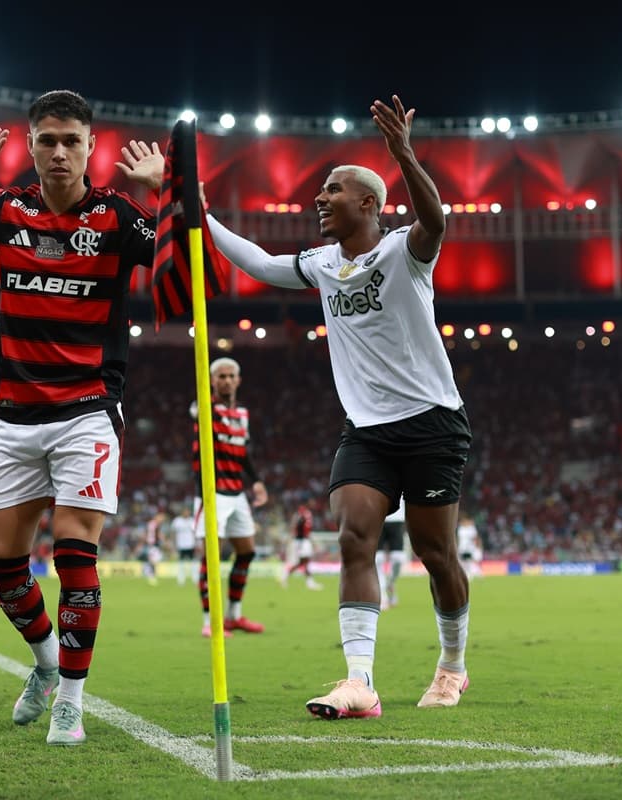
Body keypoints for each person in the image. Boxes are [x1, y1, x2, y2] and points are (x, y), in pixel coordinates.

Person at [203, 95, 473, 718]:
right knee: (355, 537)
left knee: (437, 555)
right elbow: (262, 263)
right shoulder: (322, 263)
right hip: (366, 431)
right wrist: (202, 218)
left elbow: (437, 221)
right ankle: (359, 682)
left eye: (333, 191)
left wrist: (403, 152)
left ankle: (452, 666)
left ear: (369, 205)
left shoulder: (405, 251)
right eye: (320, 192)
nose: (319, 199)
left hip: (432, 421)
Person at [0, 89, 162, 746]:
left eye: (71, 140)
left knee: (76, 555)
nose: (59, 152)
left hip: (87, 410)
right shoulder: (7, 211)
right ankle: (48, 665)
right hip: (14, 418)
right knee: (3, 565)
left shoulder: (118, 215)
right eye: (47, 140)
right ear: (31, 146)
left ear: (90, 147)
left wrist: (164, 197)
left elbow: (180, 272)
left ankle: (72, 703)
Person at [192, 358, 269, 638]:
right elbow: (196, 427)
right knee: (211, 557)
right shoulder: (205, 408)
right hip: (213, 495)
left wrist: (257, 481)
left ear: (238, 380)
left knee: (247, 551)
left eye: (230, 376)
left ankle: (234, 616)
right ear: (212, 380)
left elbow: (244, 453)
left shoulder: (243, 414)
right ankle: (208, 622)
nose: (225, 380)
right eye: (220, 376)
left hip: (237, 493)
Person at [281, 498, 321, 590]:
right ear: (308, 503)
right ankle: (309, 582)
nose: (314, 504)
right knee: (304, 561)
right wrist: (293, 536)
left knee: (303, 562)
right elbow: (295, 524)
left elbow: (307, 529)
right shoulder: (302, 513)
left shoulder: (307, 513)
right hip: (301, 541)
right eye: (312, 502)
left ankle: (286, 575)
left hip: (304, 540)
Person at [376, 498, 407, 609]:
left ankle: (391, 583)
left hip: (397, 520)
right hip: (378, 518)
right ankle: (382, 595)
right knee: (378, 558)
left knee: (398, 558)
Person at [171, 504, 197, 586]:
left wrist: (197, 543)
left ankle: (195, 579)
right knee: (181, 563)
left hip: (191, 544)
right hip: (181, 545)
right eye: (185, 512)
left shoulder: (192, 521)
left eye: (188, 512)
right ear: (182, 512)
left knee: (193, 563)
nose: (187, 513)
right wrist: (173, 544)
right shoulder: (177, 521)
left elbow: (195, 533)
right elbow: (173, 533)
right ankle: (181, 580)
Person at [457, 513, 483, 579]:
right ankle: (469, 573)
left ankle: (475, 573)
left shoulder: (471, 528)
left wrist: (478, 546)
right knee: (464, 562)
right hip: (462, 548)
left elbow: (475, 538)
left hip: (469, 548)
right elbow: (459, 539)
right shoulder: (461, 529)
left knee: (469, 561)